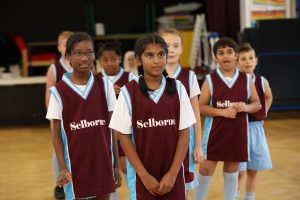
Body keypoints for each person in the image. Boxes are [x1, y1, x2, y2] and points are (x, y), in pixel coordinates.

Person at [109, 33, 196, 200]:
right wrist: (144, 175)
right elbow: (124, 137)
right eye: (150, 55)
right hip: (143, 177)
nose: (157, 60)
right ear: (138, 60)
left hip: (174, 175)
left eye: (161, 54)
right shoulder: (128, 92)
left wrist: (172, 173)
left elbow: (185, 133)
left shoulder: (178, 88)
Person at [46, 32, 121, 200]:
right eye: (78, 53)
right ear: (68, 56)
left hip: (103, 162)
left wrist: (116, 165)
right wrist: (63, 169)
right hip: (75, 166)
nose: (85, 57)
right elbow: (56, 135)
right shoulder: (58, 92)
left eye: (89, 52)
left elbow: (112, 129)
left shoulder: (105, 86)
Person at [195, 37, 261, 200]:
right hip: (214, 136)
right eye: (221, 53)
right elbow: (200, 107)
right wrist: (222, 112)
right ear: (215, 58)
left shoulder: (246, 79)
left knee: (232, 172)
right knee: (205, 171)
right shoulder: (210, 80)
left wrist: (245, 107)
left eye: (230, 52)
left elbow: (257, 103)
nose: (226, 56)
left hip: (237, 135)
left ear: (236, 55)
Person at [159, 28, 203, 200]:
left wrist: (198, 145)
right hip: (159, 137)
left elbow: (196, 113)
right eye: (166, 45)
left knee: (184, 188)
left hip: (185, 138)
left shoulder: (189, 76)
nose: (171, 49)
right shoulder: (149, 76)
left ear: (181, 49)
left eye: (176, 45)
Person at [96, 40, 136, 199]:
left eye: (113, 59)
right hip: (105, 133)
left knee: (129, 168)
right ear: (99, 62)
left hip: (126, 131)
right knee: (109, 172)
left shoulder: (130, 77)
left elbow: (137, 102)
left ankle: (135, 195)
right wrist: (106, 92)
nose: (110, 63)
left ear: (120, 59)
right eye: (105, 60)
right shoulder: (96, 80)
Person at [236, 43, 273, 200]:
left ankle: (249, 198)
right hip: (239, 130)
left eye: (250, 58)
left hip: (256, 128)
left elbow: (269, 96)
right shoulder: (234, 83)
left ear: (256, 61)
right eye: (243, 59)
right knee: (239, 172)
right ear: (237, 62)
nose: (247, 61)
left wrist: (264, 113)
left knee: (253, 170)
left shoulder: (262, 81)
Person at [45, 30, 74, 199]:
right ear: (59, 47)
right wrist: (52, 119)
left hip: (79, 117)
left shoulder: (84, 64)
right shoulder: (54, 68)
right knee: (59, 150)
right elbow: (49, 95)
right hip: (62, 118)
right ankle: (59, 183)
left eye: (69, 42)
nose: (66, 46)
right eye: (63, 43)